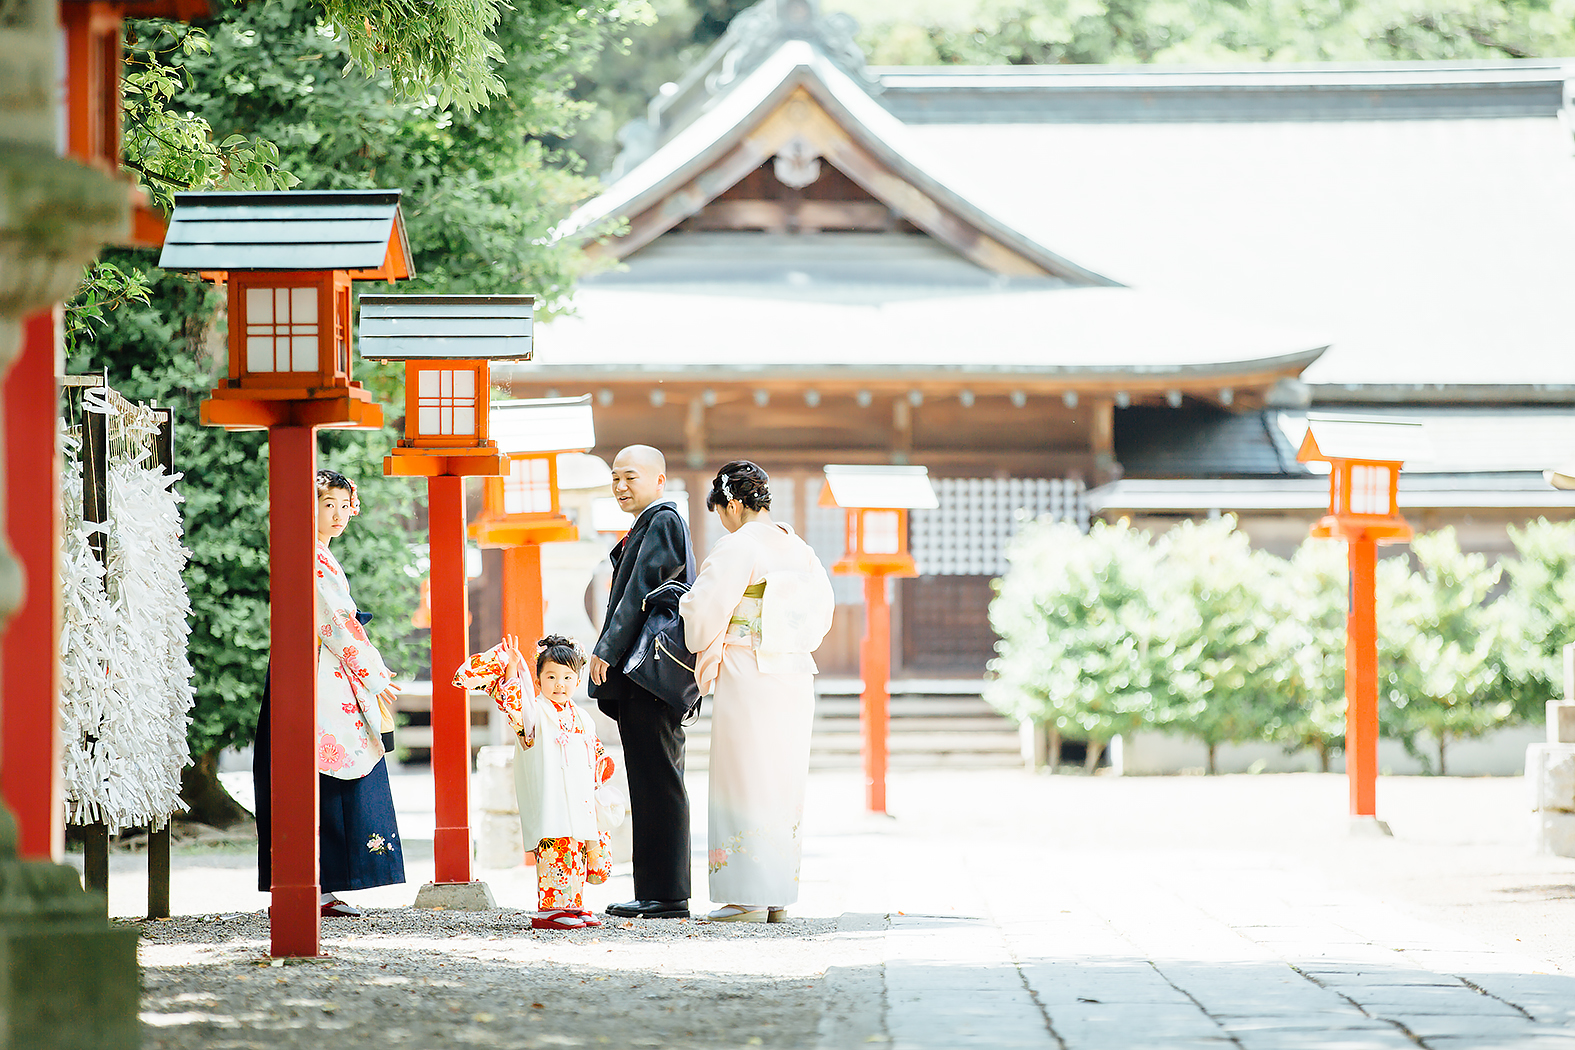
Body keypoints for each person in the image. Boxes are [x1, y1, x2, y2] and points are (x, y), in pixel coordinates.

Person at [680, 461, 835, 923]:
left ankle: (745, 897)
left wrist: (685, 601)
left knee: (742, 777)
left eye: (722, 512)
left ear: (733, 504)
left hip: (749, 669)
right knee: (781, 779)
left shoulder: (739, 546)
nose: (723, 522)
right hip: (792, 673)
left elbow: (703, 614)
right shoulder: (799, 548)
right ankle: (775, 896)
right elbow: (821, 614)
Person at [254, 469, 405, 917]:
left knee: (320, 776)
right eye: (327, 504)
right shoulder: (310, 556)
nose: (337, 514)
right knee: (317, 776)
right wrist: (375, 673)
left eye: (343, 505)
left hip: (318, 673)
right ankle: (309, 886)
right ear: (309, 507)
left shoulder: (317, 554)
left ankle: (318, 885)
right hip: (313, 678)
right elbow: (336, 622)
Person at [588, 444, 697, 919]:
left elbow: (639, 592)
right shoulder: (651, 522)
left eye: (630, 477)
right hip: (647, 676)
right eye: (615, 478)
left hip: (649, 676)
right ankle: (657, 891)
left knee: (658, 782)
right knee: (651, 780)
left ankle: (667, 895)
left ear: (659, 478)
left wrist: (606, 649)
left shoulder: (664, 519)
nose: (620, 486)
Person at [455, 634, 616, 930]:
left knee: (576, 852)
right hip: (550, 798)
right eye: (551, 676)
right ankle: (551, 909)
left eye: (568, 677)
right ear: (539, 680)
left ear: (577, 680)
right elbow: (515, 710)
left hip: (578, 800)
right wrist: (513, 671)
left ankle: (574, 904)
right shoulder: (534, 712)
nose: (560, 684)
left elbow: (596, 755)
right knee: (555, 853)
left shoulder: (582, 717)